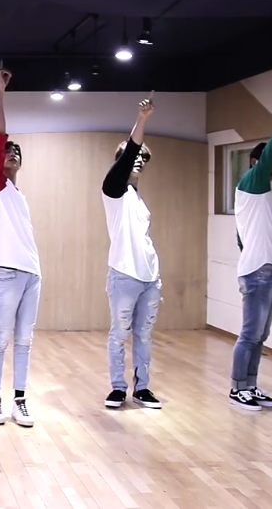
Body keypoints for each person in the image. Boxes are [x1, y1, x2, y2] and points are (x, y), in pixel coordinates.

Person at [0, 64, 41, 427]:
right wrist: (1, 92)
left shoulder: (19, 194)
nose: (11, 153)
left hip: (32, 273)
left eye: (17, 152)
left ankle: (20, 400)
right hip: (6, 272)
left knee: (24, 341)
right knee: (1, 338)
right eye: (7, 151)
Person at [229, 100, 272, 411]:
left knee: (260, 335)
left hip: (267, 269)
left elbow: (240, 238)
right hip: (258, 271)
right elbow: (270, 153)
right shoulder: (252, 181)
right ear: (257, 162)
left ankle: (250, 386)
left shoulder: (257, 195)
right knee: (250, 334)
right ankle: (237, 388)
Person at [100, 94, 163, 410]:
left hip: (149, 278)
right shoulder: (114, 191)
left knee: (144, 336)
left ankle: (143, 388)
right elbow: (128, 156)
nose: (137, 160)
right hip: (124, 276)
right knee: (119, 334)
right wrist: (142, 119)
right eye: (131, 156)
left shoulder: (138, 200)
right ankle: (117, 388)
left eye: (141, 157)